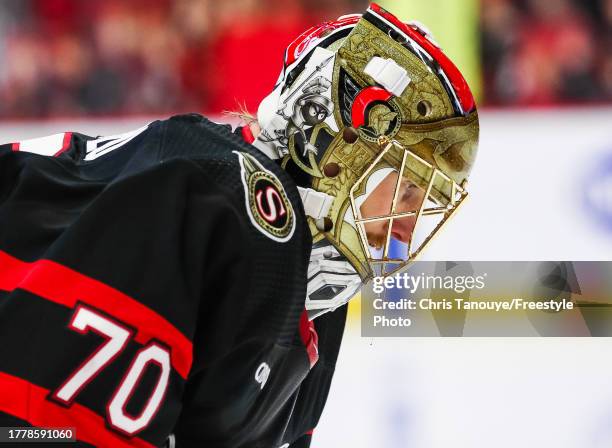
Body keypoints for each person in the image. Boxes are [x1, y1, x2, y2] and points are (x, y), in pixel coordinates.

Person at [0, 3, 479, 447]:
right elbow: (43, 422)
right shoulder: (226, 197)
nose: (408, 222)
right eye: (408, 189)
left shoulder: (314, 291)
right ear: (334, 138)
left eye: (428, 203)